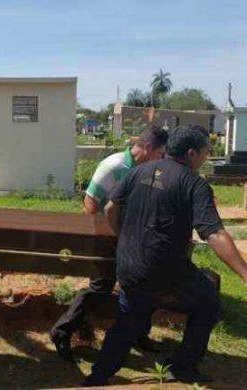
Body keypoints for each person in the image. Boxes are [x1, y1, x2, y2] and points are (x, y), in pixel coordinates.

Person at [83, 125, 247, 385]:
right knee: (208, 302)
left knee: (130, 316)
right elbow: (214, 233)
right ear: (192, 153)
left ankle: (99, 375)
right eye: (206, 153)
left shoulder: (140, 171)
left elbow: (110, 207)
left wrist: (124, 239)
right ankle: (183, 367)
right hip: (165, 274)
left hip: (128, 266)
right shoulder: (193, 184)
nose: (206, 158)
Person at [50, 127, 169, 363]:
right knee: (100, 288)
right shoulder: (114, 167)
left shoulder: (150, 169)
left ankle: (138, 334)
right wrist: (107, 238)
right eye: (161, 153)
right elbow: (90, 203)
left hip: (134, 239)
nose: (162, 158)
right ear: (147, 148)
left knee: (144, 285)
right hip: (109, 239)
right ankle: (61, 332)